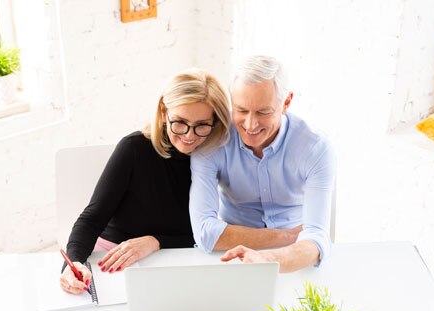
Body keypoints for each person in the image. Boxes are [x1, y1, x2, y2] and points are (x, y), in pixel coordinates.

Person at [60, 69, 231, 294]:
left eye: (202, 125)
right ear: (163, 112)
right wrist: (75, 262)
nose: (189, 136)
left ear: (215, 122)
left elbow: (204, 232)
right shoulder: (134, 148)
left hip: (175, 259)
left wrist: (155, 241)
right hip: (113, 256)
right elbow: (91, 219)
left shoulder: (214, 156)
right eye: (179, 122)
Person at [189, 55, 336, 272]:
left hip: (293, 255)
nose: (250, 124)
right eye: (241, 110)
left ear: (286, 102)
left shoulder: (314, 148)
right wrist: (286, 235)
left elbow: (316, 238)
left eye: (263, 112)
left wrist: (271, 258)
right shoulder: (212, 142)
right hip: (234, 254)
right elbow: (205, 232)